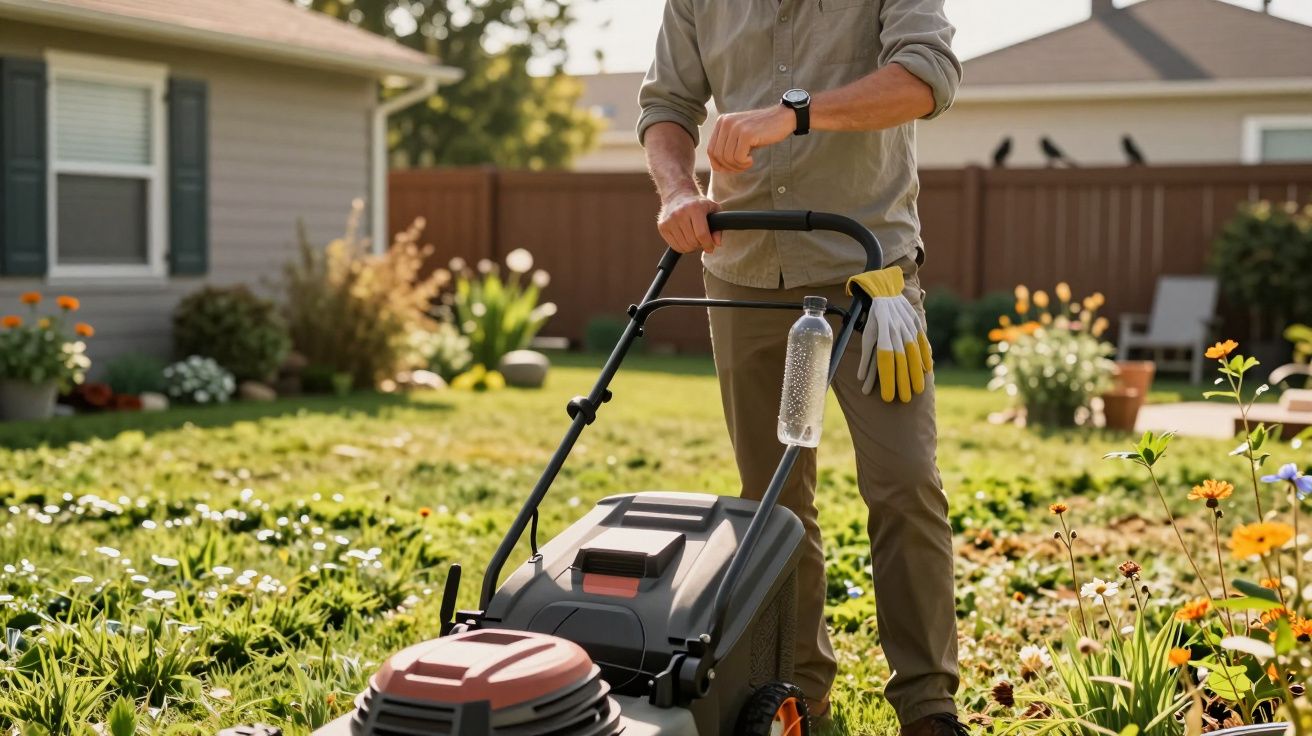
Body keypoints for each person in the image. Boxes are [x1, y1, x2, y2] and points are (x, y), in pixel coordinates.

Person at [637, 2, 964, 734]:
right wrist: (679, 190)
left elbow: (927, 76)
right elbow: (667, 107)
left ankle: (927, 703)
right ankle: (799, 690)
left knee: (905, 481)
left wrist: (793, 115)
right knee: (773, 499)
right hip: (743, 267)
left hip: (867, 273)